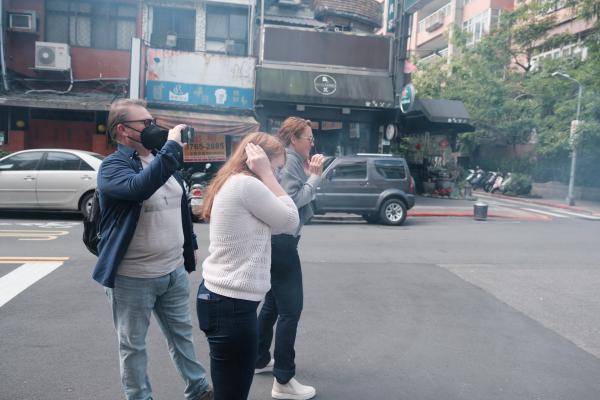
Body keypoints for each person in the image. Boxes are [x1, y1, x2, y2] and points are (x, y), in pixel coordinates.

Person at [92, 99, 212, 400]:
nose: (153, 128)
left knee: (182, 336)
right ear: (122, 130)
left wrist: (190, 247)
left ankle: (198, 390)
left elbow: (179, 208)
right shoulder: (112, 167)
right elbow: (138, 188)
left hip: (172, 272)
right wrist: (171, 149)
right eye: (145, 123)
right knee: (133, 346)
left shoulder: (162, 160)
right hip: (133, 277)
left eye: (153, 122)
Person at [197, 132, 299, 400]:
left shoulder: (234, 182)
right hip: (231, 306)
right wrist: (266, 175)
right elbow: (289, 221)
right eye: (277, 168)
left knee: (227, 388)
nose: (278, 176)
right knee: (233, 393)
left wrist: (267, 175)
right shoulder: (248, 185)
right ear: (258, 161)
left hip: (221, 300)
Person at [255, 117, 325, 400]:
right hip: (282, 242)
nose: (312, 143)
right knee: (290, 310)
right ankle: (283, 380)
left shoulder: (289, 159)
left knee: (272, 304)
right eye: (308, 138)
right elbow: (292, 201)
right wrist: (315, 176)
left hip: (275, 241)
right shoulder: (293, 161)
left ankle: (258, 359)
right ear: (294, 140)